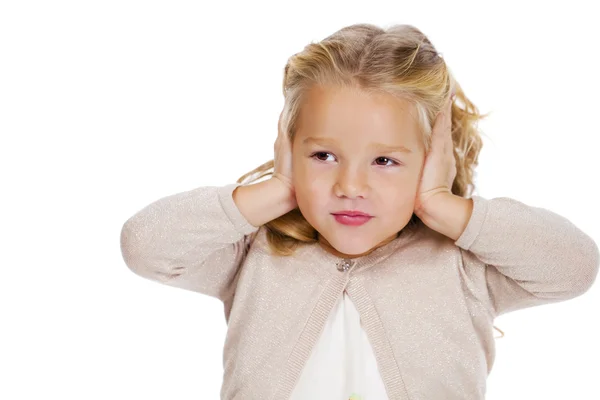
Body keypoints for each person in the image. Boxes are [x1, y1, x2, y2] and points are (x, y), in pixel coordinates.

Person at [119, 23, 599, 400]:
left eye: (385, 161)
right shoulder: (256, 252)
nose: (350, 187)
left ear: (434, 158)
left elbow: (573, 268)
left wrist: (441, 205)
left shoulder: (461, 262)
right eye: (322, 156)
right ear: (288, 147)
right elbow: (146, 247)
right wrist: (280, 190)